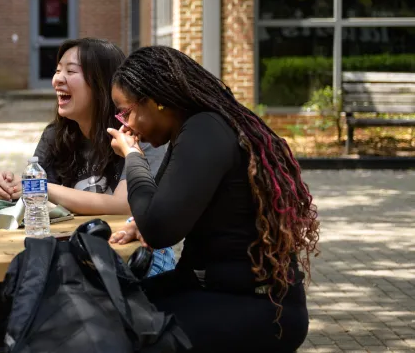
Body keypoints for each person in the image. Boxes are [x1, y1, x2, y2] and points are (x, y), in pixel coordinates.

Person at [106, 46, 317, 352]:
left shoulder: (205, 129)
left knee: (124, 334)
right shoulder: (190, 129)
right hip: (213, 289)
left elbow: (160, 229)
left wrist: (133, 157)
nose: (125, 125)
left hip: (257, 307)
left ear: (157, 101)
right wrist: (142, 223)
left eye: (125, 112)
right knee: (108, 311)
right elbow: (158, 212)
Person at [0, 37, 174, 276]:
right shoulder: (55, 136)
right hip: (78, 259)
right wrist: (5, 189)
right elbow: (35, 200)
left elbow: (124, 205)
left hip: (138, 261)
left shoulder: (139, 134)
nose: (57, 79)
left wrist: (38, 187)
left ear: (102, 83)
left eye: (70, 71)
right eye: (57, 71)